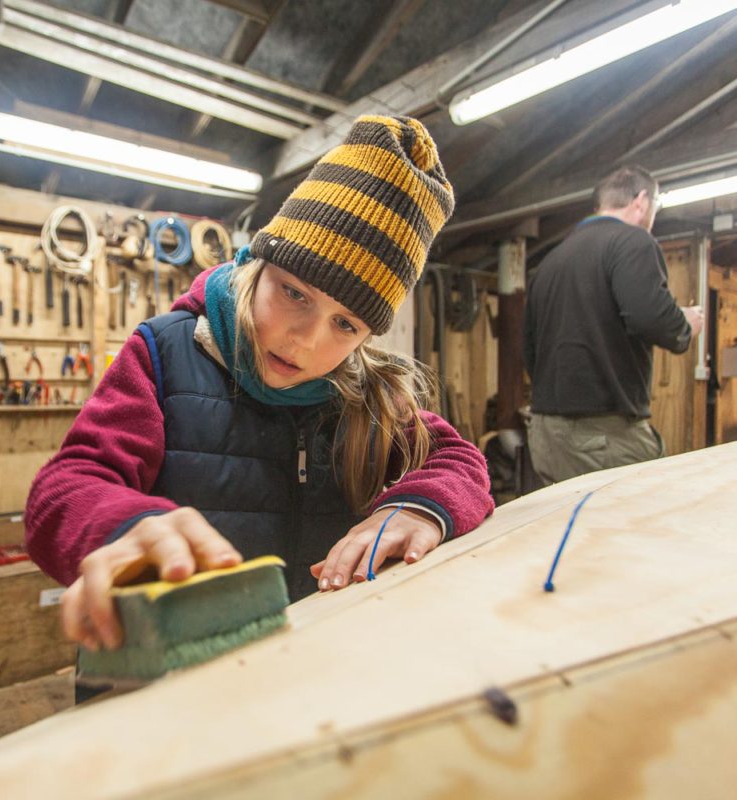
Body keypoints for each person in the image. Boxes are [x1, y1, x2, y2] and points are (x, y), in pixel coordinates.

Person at [25, 115, 494, 653]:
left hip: (305, 668)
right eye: (294, 293)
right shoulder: (166, 353)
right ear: (257, 263)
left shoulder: (368, 396)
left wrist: (418, 506)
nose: (305, 341)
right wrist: (119, 526)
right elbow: (65, 485)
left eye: (346, 324)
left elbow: (461, 461)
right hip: (167, 672)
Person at [523, 165, 704, 484]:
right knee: (640, 523)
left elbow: (529, 349)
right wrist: (684, 324)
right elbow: (650, 316)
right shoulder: (633, 241)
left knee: (570, 528)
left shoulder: (551, 261)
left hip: (546, 433)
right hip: (602, 436)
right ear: (642, 201)